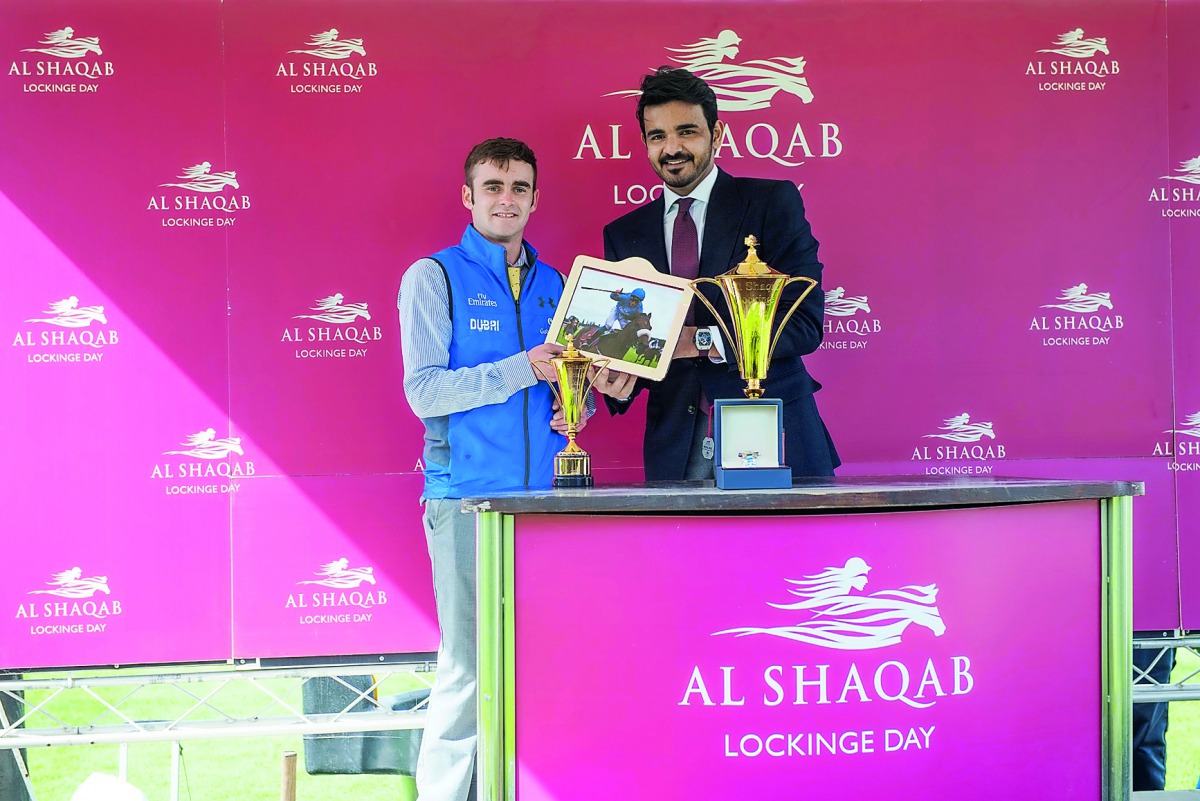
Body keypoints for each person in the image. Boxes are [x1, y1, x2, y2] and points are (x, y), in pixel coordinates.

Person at [397, 137, 582, 801]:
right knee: (470, 667)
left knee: (535, 665)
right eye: (494, 186)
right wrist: (519, 368)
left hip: (545, 505)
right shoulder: (433, 276)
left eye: (520, 187)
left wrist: (565, 405)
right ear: (468, 197)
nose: (507, 199)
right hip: (467, 500)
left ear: (536, 198)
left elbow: (560, 382)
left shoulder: (556, 282)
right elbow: (425, 391)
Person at [599, 67, 839, 481]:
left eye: (687, 131)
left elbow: (804, 323)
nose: (672, 148)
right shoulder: (623, 234)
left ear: (718, 133)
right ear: (644, 143)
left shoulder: (770, 203)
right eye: (658, 136)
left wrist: (699, 341)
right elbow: (629, 341)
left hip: (777, 432)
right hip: (676, 448)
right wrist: (616, 377)